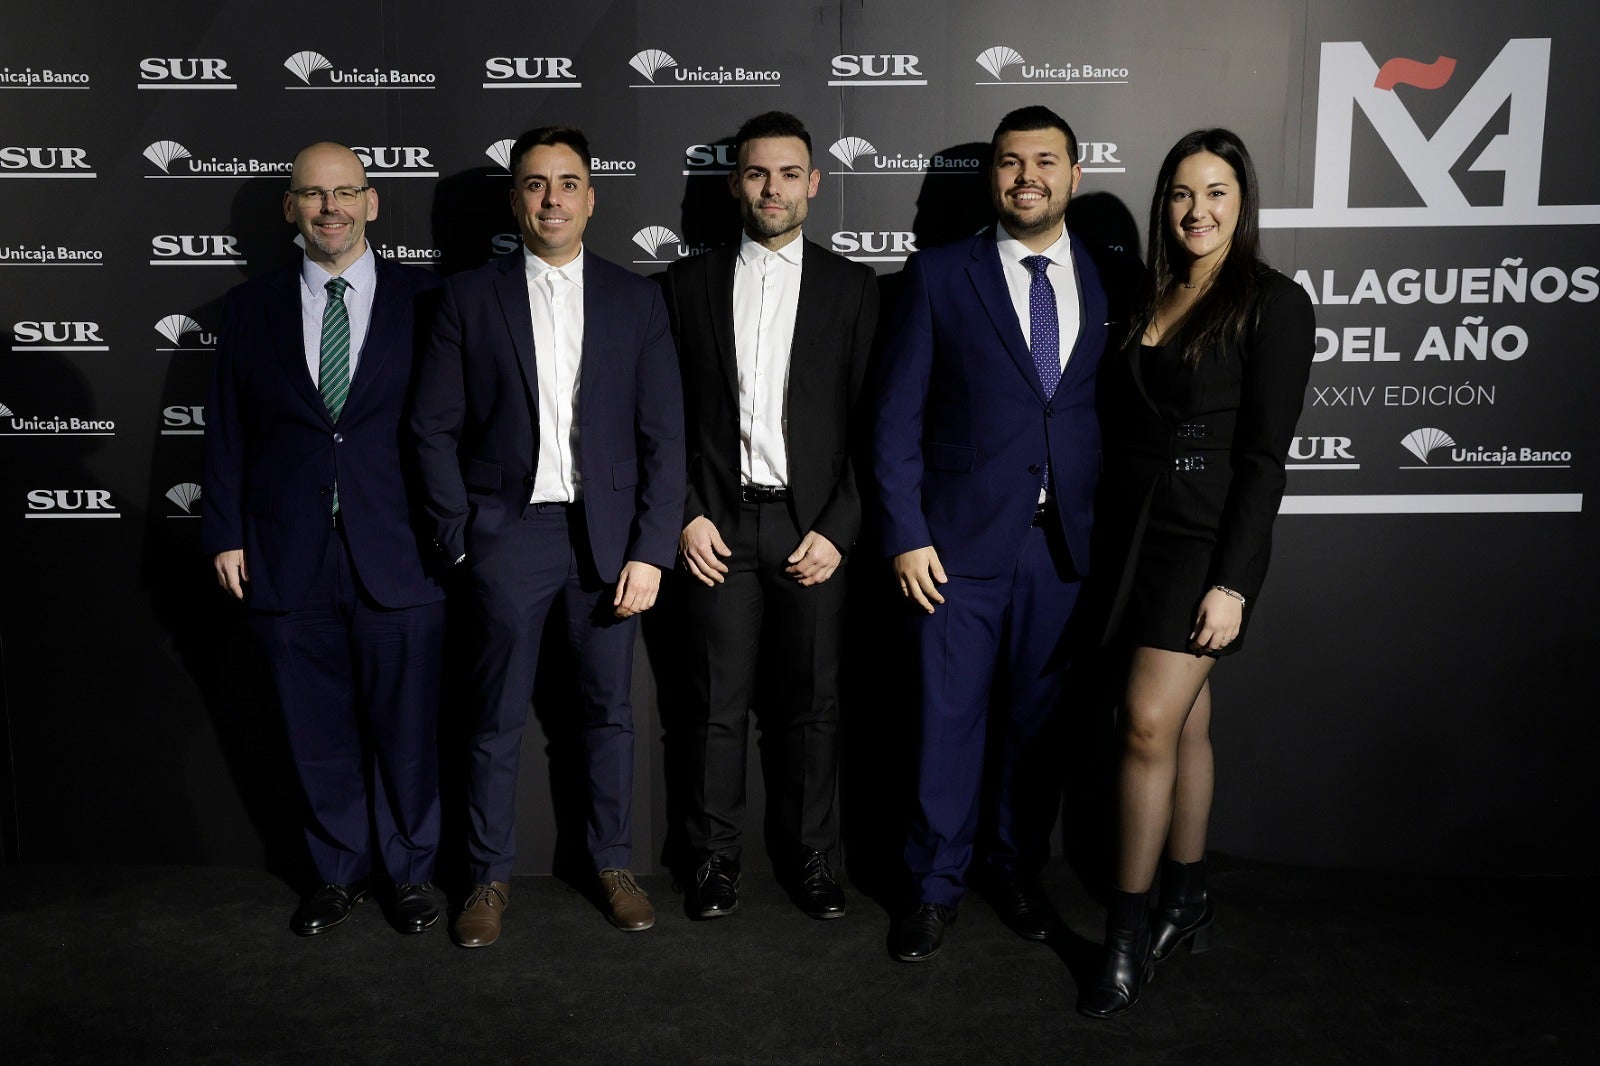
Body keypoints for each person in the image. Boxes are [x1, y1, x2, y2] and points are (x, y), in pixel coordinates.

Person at [409, 126, 684, 947]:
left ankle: (611, 864)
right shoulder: (466, 297)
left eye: (568, 183)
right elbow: (432, 431)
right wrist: (462, 541)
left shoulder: (637, 300)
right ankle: (486, 880)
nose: (552, 199)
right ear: (515, 200)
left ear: (591, 198)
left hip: (607, 546)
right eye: (535, 184)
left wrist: (650, 548)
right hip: (508, 538)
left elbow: (664, 437)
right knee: (491, 719)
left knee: (606, 716)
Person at [1078, 128, 1314, 1018]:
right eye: (1181, 192)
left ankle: (1127, 934)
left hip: (1203, 544)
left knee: (1143, 725)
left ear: (1242, 203)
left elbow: (1264, 458)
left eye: (1216, 192)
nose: (1197, 211)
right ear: (1162, 203)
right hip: (1131, 537)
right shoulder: (1150, 292)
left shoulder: (1274, 304)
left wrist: (1235, 583)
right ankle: (1187, 897)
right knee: (1185, 728)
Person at [873, 106, 1116, 962]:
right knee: (947, 726)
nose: (1027, 177)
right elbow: (894, 418)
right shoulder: (940, 275)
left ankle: (1013, 872)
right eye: (1011, 163)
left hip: (1066, 554)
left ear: (1074, 175)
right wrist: (905, 532)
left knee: (1035, 730)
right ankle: (932, 889)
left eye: (1045, 161)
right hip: (956, 551)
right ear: (993, 178)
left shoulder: (1111, 274)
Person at [202, 142, 447, 936]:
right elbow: (228, 432)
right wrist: (226, 533)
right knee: (315, 729)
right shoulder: (248, 310)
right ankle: (338, 872)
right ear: (291, 209)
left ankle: (411, 874)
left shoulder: (431, 300)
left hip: (402, 550)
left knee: (409, 730)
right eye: (312, 195)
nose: (330, 208)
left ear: (372, 203)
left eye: (345, 193)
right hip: (284, 551)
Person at [662, 111, 878, 920]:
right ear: (735, 184)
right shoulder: (685, 287)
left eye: (789, 174)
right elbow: (663, 420)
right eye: (758, 174)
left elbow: (874, 426)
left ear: (814, 184)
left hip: (812, 530)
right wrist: (685, 513)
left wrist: (841, 527)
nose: (773, 188)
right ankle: (714, 862)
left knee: (814, 708)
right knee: (714, 709)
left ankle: (814, 859)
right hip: (716, 528)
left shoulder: (855, 290)